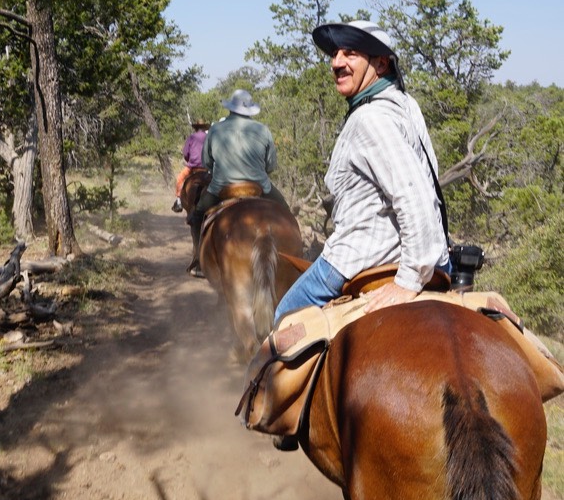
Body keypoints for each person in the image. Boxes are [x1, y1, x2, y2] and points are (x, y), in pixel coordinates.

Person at [274, 20, 450, 324]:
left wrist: (409, 280)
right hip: (431, 259)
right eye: (335, 54)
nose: (336, 63)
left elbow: (413, 195)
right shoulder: (405, 104)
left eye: (350, 53)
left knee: (284, 316)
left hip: (360, 255)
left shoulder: (371, 117)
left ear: (381, 64)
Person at [187, 89, 289, 276]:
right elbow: (271, 165)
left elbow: (207, 162)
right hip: (259, 187)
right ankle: (293, 257)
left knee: (197, 215)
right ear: (250, 109)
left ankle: (199, 261)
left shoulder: (216, 129)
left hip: (221, 188)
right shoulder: (263, 129)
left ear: (231, 108)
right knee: (286, 213)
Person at [171, 120, 210, 212]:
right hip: (206, 168)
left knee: (180, 179)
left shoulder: (191, 137)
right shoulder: (209, 137)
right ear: (205, 128)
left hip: (192, 167)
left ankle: (179, 201)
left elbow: (185, 153)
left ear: (196, 128)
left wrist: (189, 159)